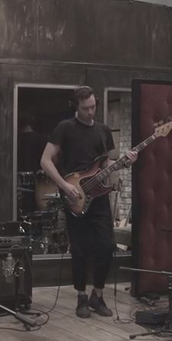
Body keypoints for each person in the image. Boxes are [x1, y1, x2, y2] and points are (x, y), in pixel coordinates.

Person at [40, 86, 137, 318]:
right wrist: (64, 186)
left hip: (100, 197)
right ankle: (81, 296)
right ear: (76, 107)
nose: (91, 112)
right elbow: (45, 160)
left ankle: (98, 295)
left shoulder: (103, 130)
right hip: (75, 195)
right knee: (80, 249)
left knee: (106, 246)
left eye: (93, 107)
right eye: (86, 108)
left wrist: (125, 163)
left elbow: (106, 165)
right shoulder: (64, 128)